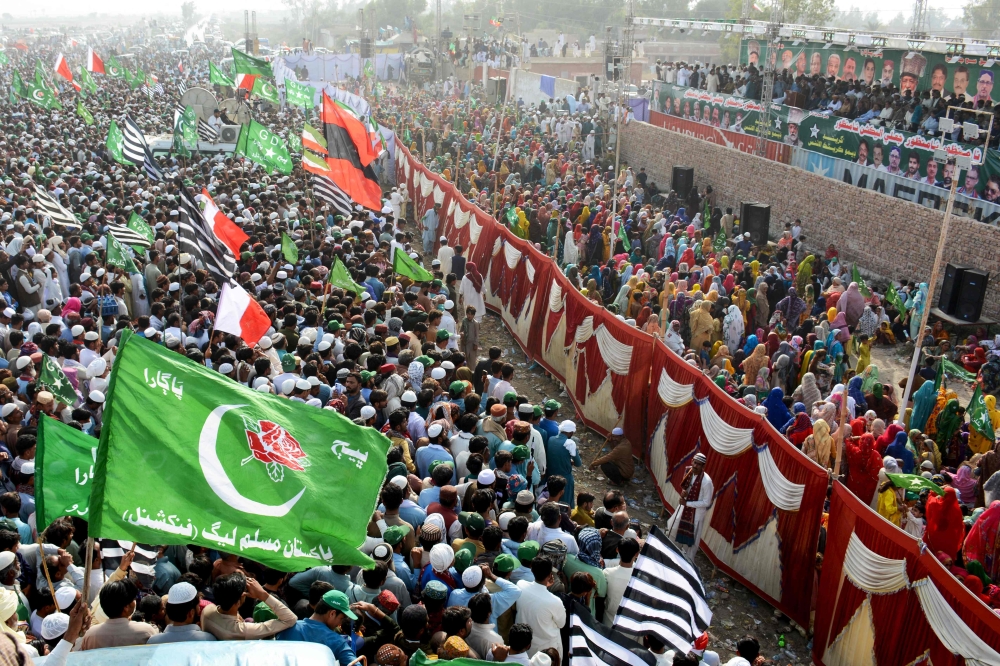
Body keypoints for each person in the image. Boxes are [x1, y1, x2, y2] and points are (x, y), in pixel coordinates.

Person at [277, 589, 362, 666]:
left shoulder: (287, 627)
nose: (340, 623)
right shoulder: (337, 641)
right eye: (341, 618)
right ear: (332, 614)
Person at [201, 572, 297, 640]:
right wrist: (263, 595)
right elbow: (290, 619)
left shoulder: (207, 611)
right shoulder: (244, 631)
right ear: (238, 602)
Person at [665, 453, 714, 560]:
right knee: (674, 528)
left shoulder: (707, 482)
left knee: (691, 540)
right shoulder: (689, 472)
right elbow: (685, 487)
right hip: (684, 507)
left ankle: (686, 561)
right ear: (692, 461)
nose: (695, 466)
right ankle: (670, 554)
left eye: (699, 464)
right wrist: (684, 492)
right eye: (695, 463)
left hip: (696, 514)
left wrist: (688, 504)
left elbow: (706, 502)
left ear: (703, 467)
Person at [514, 558, 566, 658]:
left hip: (523, 650)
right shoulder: (555, 601)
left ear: (532, 570)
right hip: (546, 655)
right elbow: (561, 623)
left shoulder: (520, 585)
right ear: (550, 575)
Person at [146, 582, 217, 644]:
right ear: (191, 613)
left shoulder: (153, 642)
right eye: (198, 606)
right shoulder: (208, 640)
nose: (199, 610)